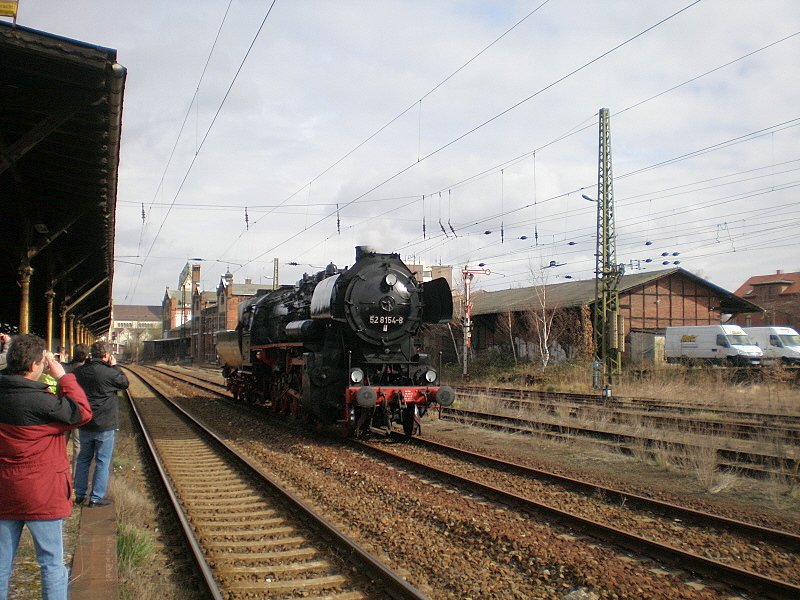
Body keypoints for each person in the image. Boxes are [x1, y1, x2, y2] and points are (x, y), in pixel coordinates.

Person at [0, 334, 92, 600]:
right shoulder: (46, 403)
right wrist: (63, 376)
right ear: (33, 366)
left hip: (5, 490)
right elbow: (82, 412)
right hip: (42, 492)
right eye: (42, 362)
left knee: (2, 564)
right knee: (51, 563)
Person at [72, 341, 129, 507]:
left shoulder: (79, 372)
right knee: (102, 461)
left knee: (83, 458)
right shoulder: (110, 373)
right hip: (105, 424)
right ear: (106, 355)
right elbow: (124, 383)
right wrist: (115, 366)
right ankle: (96, 497)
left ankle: (80, 494)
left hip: (85, 422)